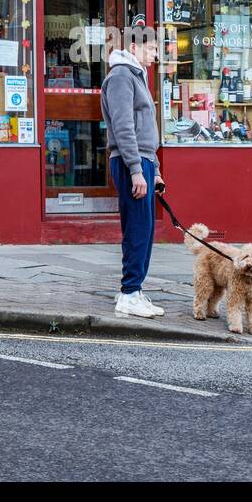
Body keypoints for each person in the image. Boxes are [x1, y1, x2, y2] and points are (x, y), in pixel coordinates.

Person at [101, 27, 165, 318]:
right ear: (135, 47)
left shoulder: (136, 76)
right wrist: (137, 170)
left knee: (145, 230)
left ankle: (133, 290)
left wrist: (155, 172)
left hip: (143, 161)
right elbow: (124, 127)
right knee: (138, 229)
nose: (155, 56)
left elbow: (145, 129)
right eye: (152, 49)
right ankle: (129, 294)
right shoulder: (121, 77)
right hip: (131, 162)